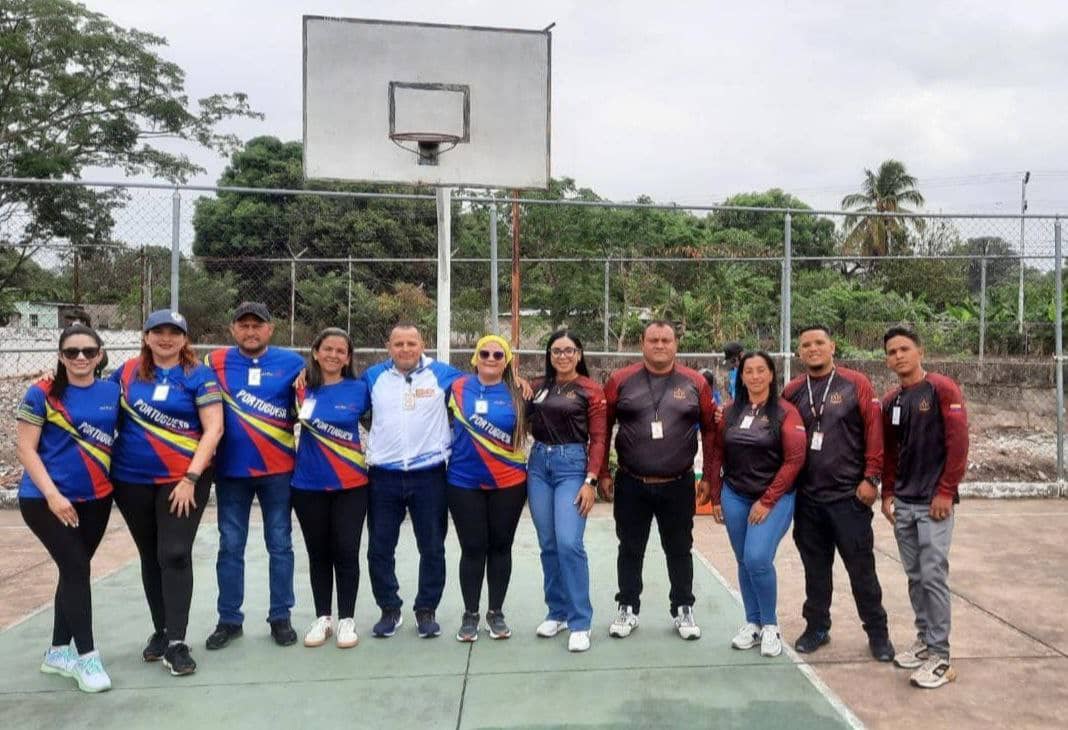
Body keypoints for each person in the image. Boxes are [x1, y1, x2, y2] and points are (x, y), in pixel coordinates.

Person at [109, 310, 223, 676]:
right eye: (157, 331)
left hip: (183, 481)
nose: (166, 338)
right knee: (150, 555)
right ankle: (161, 631)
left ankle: (177, 643)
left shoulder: (199, 375)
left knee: (174, 553)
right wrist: (54, 380)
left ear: (185, 339)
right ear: (145, 336)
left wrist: (190, 477)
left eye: (174, 332)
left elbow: (214, 429)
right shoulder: (126, 372)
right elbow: (92, 398)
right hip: (131, 479)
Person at [598, 320, 717, 640]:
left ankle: (683, 607)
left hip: (678, 483)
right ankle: (627, 606)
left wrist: (709, 477)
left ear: (676, 344)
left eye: (666, 340)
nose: (660, 345)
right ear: (642, 343)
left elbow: (711, 431)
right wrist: (603, 472)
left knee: (680, 548)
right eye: (654, 340)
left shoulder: (695, 382)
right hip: (631, 482)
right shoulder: (621, 380)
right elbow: (602, 428)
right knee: (630, 547)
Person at [16, 324, 119, 693]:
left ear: (99, 355)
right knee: (76, 568)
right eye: (72, 352)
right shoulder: (41, 392)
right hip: (46, 501)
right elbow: (25, 449)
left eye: (88, 351)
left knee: (73, 569)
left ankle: (58, 651)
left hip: (97, 499)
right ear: (60, 356)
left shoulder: (112, 390)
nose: (80, 357)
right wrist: (53, 496)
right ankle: (87, 658)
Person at [782, 324, 895, 661]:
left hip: (848, 498)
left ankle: (878, 634)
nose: (813, 349)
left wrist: (871, 478)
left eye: (819, 342)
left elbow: (875, 432)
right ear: (799, 352)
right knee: (815, 571)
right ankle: (817, 627)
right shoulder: (792, 391)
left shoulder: (855, 383)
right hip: (808, 500)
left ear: (832, 346)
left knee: (862, 571)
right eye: (806, 345)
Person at [203, 302, 306, 650]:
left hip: (279, 470)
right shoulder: (213, 362)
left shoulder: (293, 363)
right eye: (244, 325)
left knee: (280, 544)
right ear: (233, 329)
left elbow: (312, 398)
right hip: (231, 471)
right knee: (230, 545)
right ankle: (229, 619)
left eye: (257, 325)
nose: (250, 331)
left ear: (270, 329)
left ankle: (280, 616)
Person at [361, 322, 463, 639]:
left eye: (411, 343)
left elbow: (484, 382)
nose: (405, 349)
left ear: (423, 345)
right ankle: (389, 609)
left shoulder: (444, 375)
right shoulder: (372, 377)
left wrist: (516, 381)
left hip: (430, 475)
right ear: (388, 347)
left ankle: (426, 609)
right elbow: (352, 404)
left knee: (432, 547)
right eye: (398, 344)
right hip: (383, 476)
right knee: (379, 548)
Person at [881, 326, 968, 689]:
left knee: (933, 576)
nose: (898, 355)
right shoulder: (891, 401)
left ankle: (941, 657)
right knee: (916, 576)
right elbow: (890, 453)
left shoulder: (942, 388)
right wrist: (888, 493)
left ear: (920, 351)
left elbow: (958, 444)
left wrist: (946, 491)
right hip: (904, 503)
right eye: (892, 352)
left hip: (934, 504)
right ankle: (925, 641)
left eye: (904, 348)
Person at [705, 351, 806, 657]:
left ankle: (771, 626)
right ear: (742, 376)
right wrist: (717, 496)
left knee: (757, 558)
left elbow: (794, 460)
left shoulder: (786, 413)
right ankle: (753, 623)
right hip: (735, 495)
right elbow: (717, 453)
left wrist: (768, 499)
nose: (755, 376)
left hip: (774, 498)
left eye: (761, 370)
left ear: (772, 374)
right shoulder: (729, 412)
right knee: (743, 560)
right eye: (749, 371)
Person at [527, 330, 607, 653]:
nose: (562, 356)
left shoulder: (590, 389)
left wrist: (591, 480)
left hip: (571, 466)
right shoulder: (538, 386)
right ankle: (557, 612)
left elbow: (599, 439)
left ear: (579, 354)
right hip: (538, 465)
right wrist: (516, 382)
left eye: (569, 350)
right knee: (548, 543)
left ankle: (580, 622)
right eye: (556, 351)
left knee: (569, 543)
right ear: (549, 355)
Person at [292, 328, 371, 649]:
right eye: (327, 349)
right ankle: (323, 618)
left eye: (341, 351)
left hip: (351, 485)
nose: (333, 355)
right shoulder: (299, 388)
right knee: (318, 553)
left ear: (348, 358)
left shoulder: (361, 389)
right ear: (315, 352)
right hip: (307, 485)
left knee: (347, 551)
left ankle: (346, 619)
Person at [447, 334, 528, 642]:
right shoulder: (456, 387)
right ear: (475, 357)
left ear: (507, 361)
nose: (491, 359)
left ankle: (496, 612)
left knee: (500, 547)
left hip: (508, 483)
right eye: (485, 353)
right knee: (472, 547)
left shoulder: (519, 393)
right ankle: (470, 614)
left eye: (498, 355)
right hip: (463, 482)